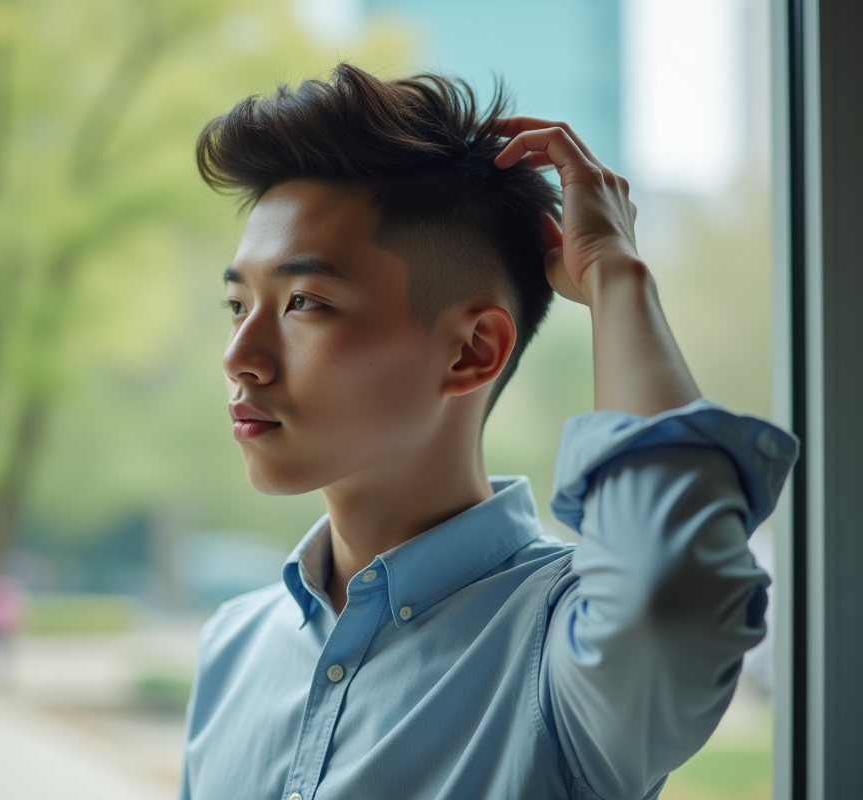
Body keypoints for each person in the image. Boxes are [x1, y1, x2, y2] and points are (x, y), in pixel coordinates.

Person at [178, 63, 797, 800]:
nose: (238, 357)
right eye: (237, 303)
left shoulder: (560, 650)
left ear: (472, 351)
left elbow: (671, 595)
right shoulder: (233, 646)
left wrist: (615, 275)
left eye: (304, 302)